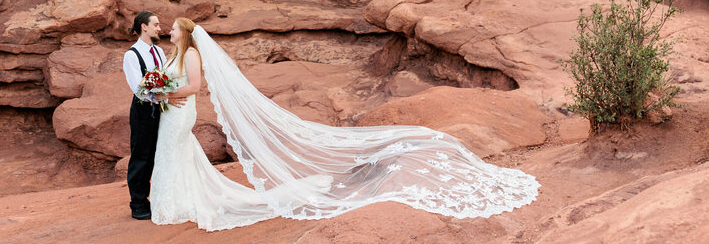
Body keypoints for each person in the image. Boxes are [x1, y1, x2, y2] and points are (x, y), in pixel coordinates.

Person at [148, 18, 540, 232]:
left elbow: (194, 87)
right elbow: (174, 80)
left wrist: (165, 95)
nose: (170, 32)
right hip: (171, 112)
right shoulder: (172, 55)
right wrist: (161, 89)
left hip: (179, 112)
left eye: (175, 29)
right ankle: (174, 202)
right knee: (175, 156)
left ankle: (179, 203)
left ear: (186, 34)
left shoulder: (193, 56)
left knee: (176, 152)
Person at [121, 10, 167, 220]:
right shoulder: (132, 55)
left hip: (161, 107)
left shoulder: (159, 51)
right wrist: (159, 95)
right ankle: (138, 203)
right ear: (143, 27)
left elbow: (164, 76)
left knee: (161, 153)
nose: (159, 28)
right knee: (142, 156)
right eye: (155, 24)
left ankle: (158, 198)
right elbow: (137, 88)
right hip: (143, 108)